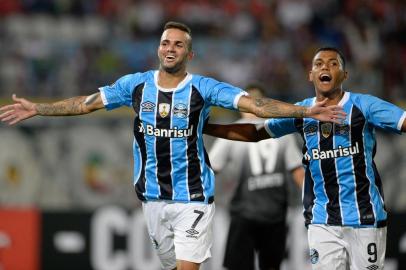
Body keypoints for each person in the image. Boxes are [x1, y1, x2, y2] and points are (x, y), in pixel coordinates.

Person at [0, 21, 345, 270]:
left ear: (189, 53)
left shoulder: (203, 88)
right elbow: (85, 104)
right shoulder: (135, 86)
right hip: (152, 199)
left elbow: (256, 106)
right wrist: (38, 108)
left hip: (193, 198)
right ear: (158, 48)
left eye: (178, 44)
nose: (170, 49)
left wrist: (305, 111)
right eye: (166, 42)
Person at [204, 47, 406, 270]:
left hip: (365, 216)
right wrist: (205, 127)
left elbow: (402, 121)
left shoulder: (364, 105)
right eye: (319, 64)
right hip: (322, 220)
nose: (325, 67)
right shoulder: (301, 111)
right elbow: (254, 132)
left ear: (344, 75)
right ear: (310, 75)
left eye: (333, 63)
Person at [208, 84, 305, 270]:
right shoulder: (280, 131)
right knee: (271, 266)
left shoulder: (233, 132)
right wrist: (312, 200)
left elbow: (211, 168)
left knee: (238, 266)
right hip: (275, 214)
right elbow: (298, 172)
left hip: (243, 213)